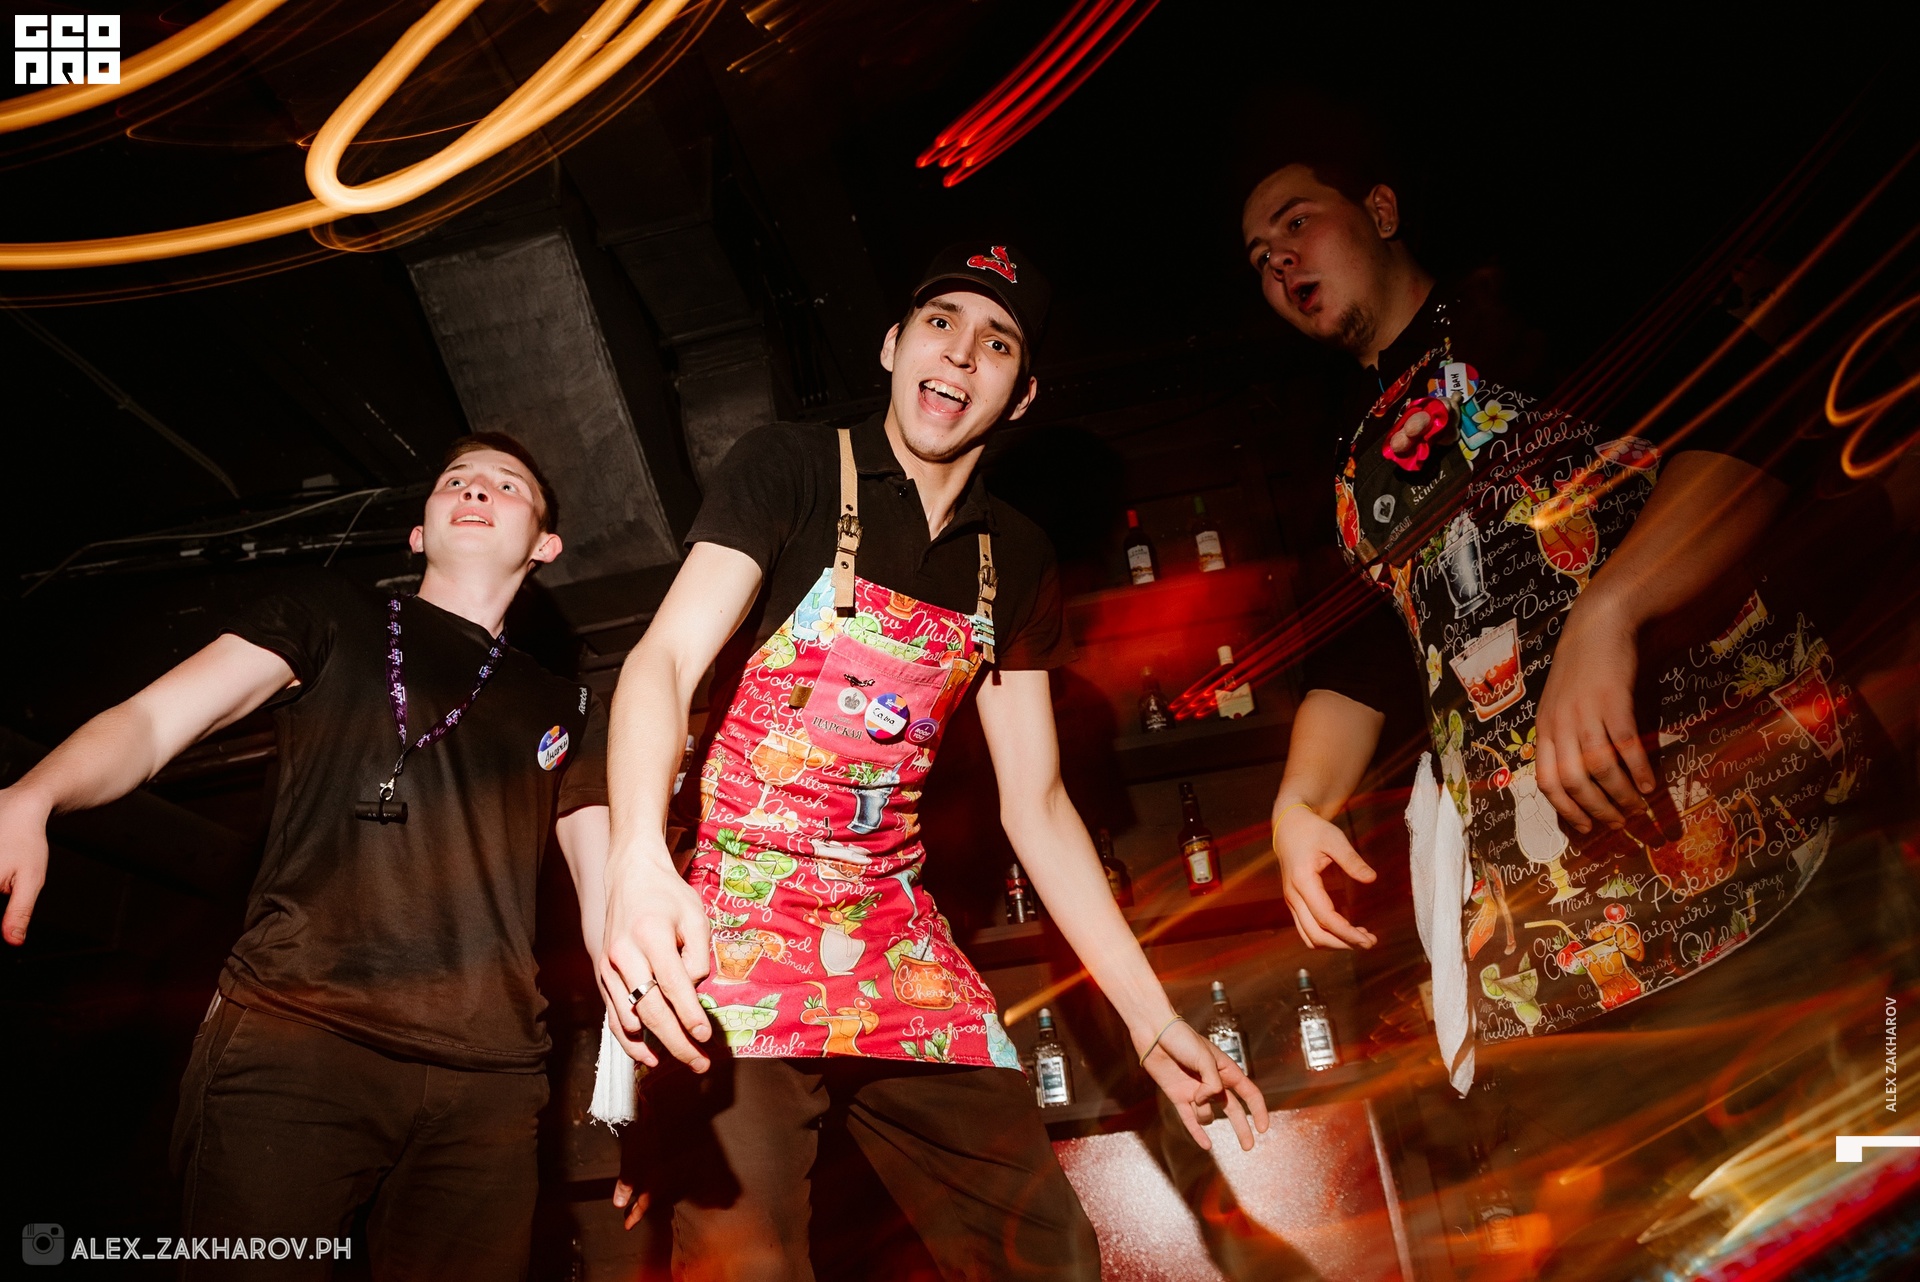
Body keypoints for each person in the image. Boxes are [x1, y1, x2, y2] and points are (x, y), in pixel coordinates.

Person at [1238, 126, 1904, 1276]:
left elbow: (1751, 431)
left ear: (1382, 210)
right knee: (1639, 1249)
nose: (1278, 260)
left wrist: (1612, 612)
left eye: (1296, 221)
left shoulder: (1542, 308)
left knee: (1857, 1212)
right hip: (1559, 947)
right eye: (1257, 257)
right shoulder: (1346, 463)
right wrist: (1299, 805)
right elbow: (1362, 665)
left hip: (1762, 855)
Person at [597, 243, 1268, 1280]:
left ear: (1021, 393)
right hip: (738, 928)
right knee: (746, 1264)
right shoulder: (790, 467)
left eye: (996, 343)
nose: (960, 353)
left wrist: (1152, 1019)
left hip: (892, 936)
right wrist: (639, 857)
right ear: (892, 345)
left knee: (1048, 1256)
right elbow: (664, 660)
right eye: (941, 323)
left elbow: (1038, 806)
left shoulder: (1018, 559)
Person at [0, 434, 616, 1280]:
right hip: (299, 1039)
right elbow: (152, 722)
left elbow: (603, 874)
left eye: (507, 486)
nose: (476, 491)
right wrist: (35, 792)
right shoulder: (328, 611)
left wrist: (635, 994)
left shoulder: (567, 702)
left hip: (491, 1081)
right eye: (456, 480)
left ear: (544, 545)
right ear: (419, 531)